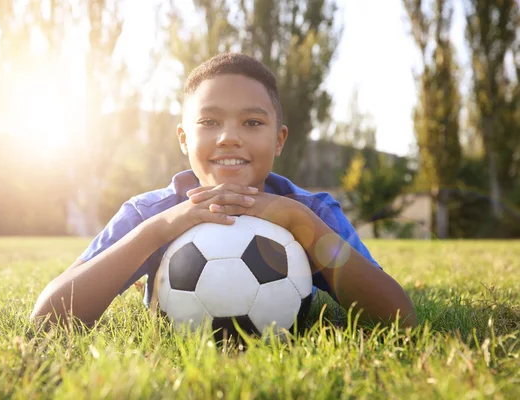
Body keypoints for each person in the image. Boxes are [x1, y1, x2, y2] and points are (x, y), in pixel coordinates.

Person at [30, 53, 417, 330]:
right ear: (184, 139)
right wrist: (157, 231)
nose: (229, 138)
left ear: (279, 140)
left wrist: (302, 225)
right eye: (209, 121)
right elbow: (46, 318)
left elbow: (400, 319)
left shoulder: (310, 210)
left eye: (252, 122)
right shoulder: (148, 213)